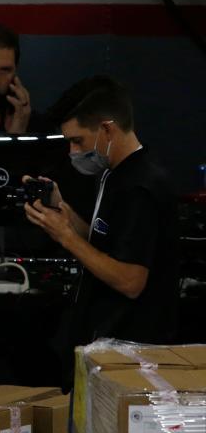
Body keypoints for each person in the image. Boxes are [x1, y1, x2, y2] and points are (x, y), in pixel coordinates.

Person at [24, 76, 179, 389]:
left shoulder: (140, 188)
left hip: (131, 359)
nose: (72, 151)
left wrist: (66, 237)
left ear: (107, 129)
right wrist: (61, 210)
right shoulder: (114, 174)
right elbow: (106, 243)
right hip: (103, 347)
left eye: (78, 141)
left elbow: (130, 280)